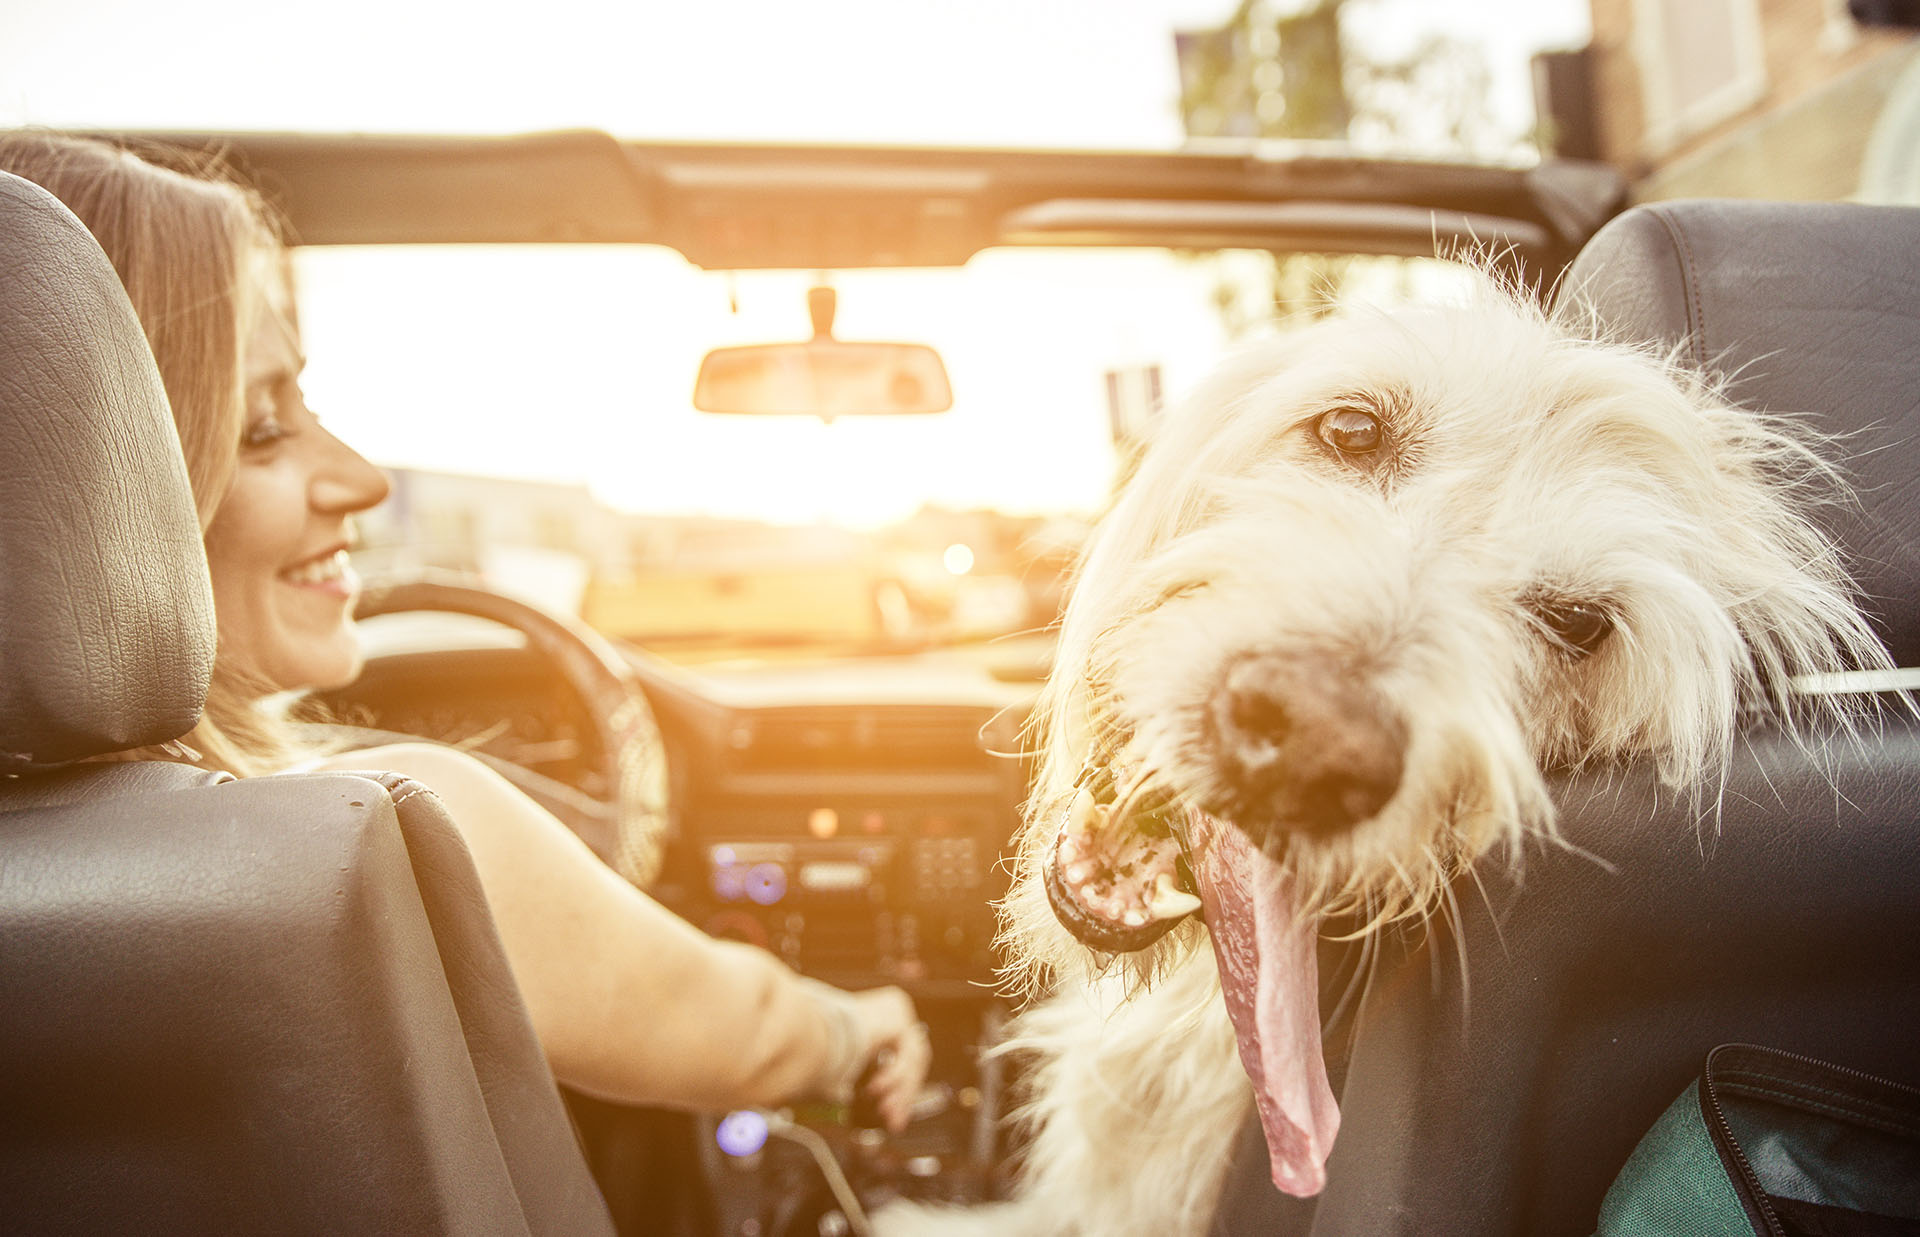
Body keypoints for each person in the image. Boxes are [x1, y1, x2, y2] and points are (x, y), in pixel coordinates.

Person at [0, 130, 930, 1127]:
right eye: (262, 426)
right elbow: (735, 1029)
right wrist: (855, 1029)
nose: (362, 479)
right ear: (84, 492)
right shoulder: (386, 834)